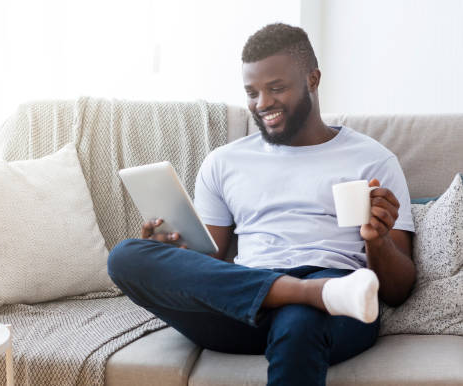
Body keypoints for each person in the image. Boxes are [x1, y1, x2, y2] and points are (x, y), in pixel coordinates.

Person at [107, 23, 416, 386]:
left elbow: (398, 290)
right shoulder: (223, 163)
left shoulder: (373, 161)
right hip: (243, 306)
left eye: (276, 88)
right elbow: (212, 261)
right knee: (126, 255)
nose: (262, 103)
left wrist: (376, 240)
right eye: (252, 92)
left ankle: (314, 293)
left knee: (301, 319)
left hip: (335, 302)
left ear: (313, 79)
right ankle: (309, 294)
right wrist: (174, 253)